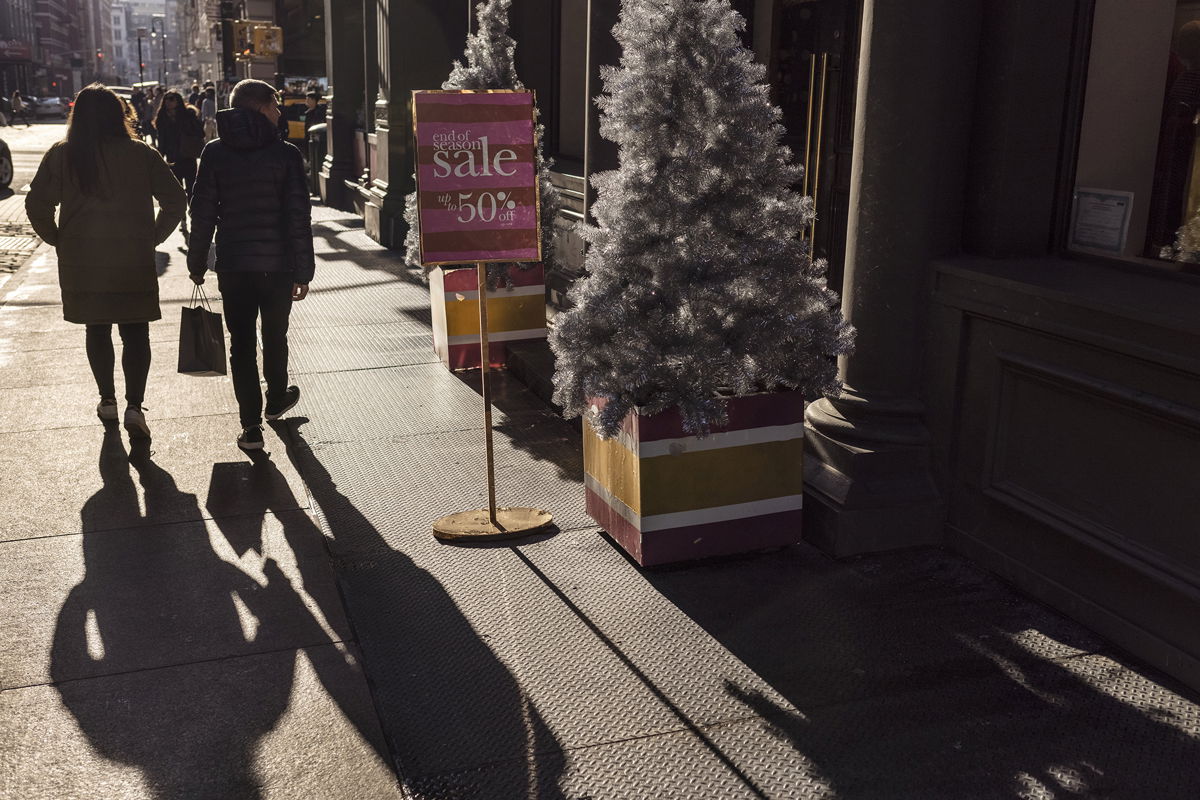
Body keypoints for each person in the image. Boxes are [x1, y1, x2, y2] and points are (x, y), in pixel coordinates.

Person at [25, 84, 187, 439]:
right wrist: (154, 237)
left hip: (83, 258)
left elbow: (37, 203)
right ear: (120, 114)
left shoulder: (63, 154)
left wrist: (57, 238)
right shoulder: (140, 153)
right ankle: (134, 405)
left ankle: (108, 399)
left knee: (96, 329)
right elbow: (175, 200)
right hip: (132, 255)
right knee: (135, 331)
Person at [187, 78, 314, 451]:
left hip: (234, 264)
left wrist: (197, 261)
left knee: (241, 343)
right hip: (277, 267)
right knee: (274, 335)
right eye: (274, 105)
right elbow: (297, 218)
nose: (279, 111)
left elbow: (203, 212)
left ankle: (251, 427)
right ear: (259, 108)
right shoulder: (286, 155)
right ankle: (276, 398)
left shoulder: (214, 153)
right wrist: (303, 270)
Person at [153, 91, 205, 236]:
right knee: (178, 191)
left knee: (192, 190)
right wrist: (160, 158)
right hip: (173, 159)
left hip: (187, 157)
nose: (169, 102)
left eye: (172, 99)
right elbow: (161, 140)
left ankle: (193, 216)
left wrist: (190, 120)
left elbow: (200, 133)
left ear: (178, 101)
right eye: (167, 99)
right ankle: (183, 219)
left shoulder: (187, 115)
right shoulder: (162, 118)